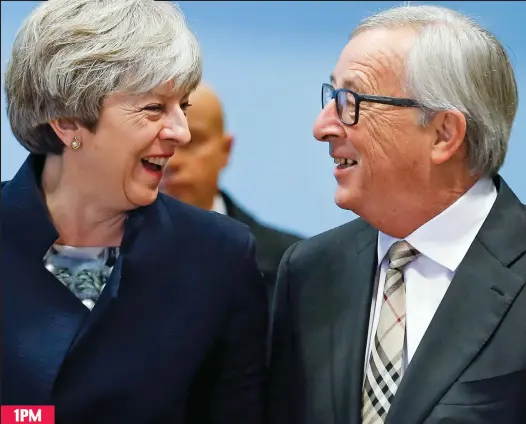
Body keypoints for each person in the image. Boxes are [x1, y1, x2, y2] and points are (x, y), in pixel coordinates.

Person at [2, 1, 268, 423]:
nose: (180, 132)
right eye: (153, 108)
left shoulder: (218, 258)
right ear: (68, 121)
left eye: (184, 106)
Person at [267, 4, 525, 424]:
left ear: (443, 134)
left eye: (351, 101)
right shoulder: (309, 271)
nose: (322, 126)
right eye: (331, 96)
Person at [161, 83, 303, 301]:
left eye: (191, 142)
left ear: (225, 151)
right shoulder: (101, 254)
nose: (172, 161)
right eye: (159, 142)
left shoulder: (295, 266)